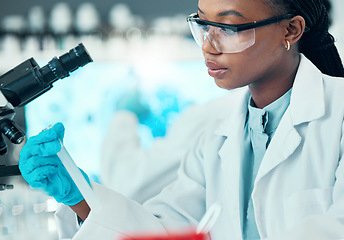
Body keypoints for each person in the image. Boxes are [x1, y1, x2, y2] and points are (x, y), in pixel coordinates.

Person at [18, 0, 344, 239]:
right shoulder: (217, 135)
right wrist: (80, 197)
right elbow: (163, 229)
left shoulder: (338, 116)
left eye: (229, 28)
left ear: (291, 29)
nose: (207, 45)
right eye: (203, 24)